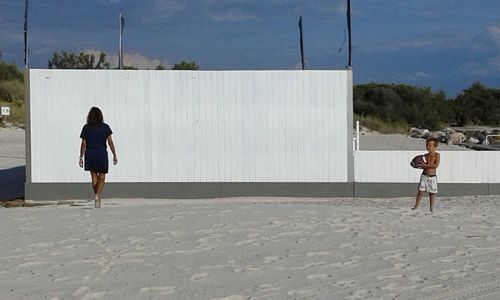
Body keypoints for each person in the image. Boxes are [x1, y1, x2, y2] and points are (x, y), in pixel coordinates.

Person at [79, 107, 117, 208]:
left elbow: (83, 144)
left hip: (90, 153)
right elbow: (110, 142)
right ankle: (97, 195)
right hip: (101, 153)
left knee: (94, 177)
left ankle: (97, 198)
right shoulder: (105, 127)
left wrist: (81, 156)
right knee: (102, 177)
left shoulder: (86, 128)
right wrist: (114, 154)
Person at [411, 137, 440, 214]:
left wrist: (425, 166)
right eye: (427, 145)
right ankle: (416, 206)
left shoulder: (437, 155)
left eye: (429, 146)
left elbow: (436, 165)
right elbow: (422, 165)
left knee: (432, 193)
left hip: (432, 177)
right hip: (424, 175)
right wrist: (416, 165)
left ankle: (431, 208)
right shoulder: (425, 156)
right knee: (420, 192)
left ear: (434, 146)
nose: (428, 147)